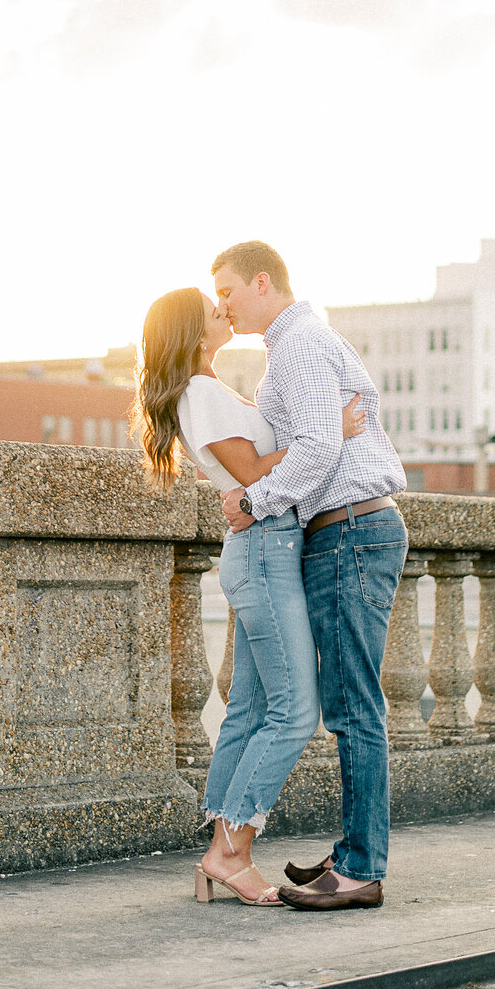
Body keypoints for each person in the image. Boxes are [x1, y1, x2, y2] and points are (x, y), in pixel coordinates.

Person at [132, 285, 365, 906]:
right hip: (264, 552)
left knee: (250, 713)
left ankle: (225, 853)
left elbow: (258, 472)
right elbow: (257, 476)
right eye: (212, 309)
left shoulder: (208, 389)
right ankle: (228, 849)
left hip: (266, 548)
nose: (223, 310)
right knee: (294, 714)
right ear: (191, 330)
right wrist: (333, 431)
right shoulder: (200, 393)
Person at [213, 240, 408, 911]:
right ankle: (356, 849)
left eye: (229, 290)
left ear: (262, 281)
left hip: (349, 528)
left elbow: (322, 447)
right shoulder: (304, 343)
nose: (223, 304)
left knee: (354, 706)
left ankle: (358, 869)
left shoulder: (297, 346)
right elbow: (324, 436)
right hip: (350, 529)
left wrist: (251, 501)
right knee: (350, 702)